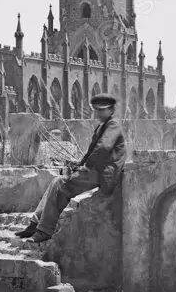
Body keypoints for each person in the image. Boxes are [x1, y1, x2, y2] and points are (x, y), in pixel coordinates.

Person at [15, 93, 126, 243]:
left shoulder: (113, 125)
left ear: (111, 111)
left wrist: (85, 168)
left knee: (61, 184)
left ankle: (45, 231)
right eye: (96, 110)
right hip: (97, 170)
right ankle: (34, 224)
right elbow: (91, 151)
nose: (97, 113)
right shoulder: (102, 126)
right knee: (55, 181)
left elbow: (103, 148)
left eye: (102, 110)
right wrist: (79, 165)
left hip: (104, 174)